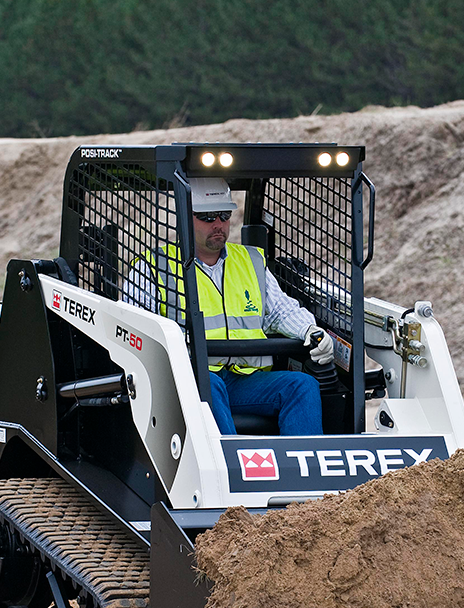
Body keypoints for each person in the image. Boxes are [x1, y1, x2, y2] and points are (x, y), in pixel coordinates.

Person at [123, 178, 334, 436]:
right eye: (207, 216)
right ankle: (229, 471)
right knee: (208, 385)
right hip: (189, 381)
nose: (218, 224)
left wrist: (309, 329)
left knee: (302, 385)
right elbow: (134, 329)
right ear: (183, 217)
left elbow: (281, 310)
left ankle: (304, 471)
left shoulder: (250, 261)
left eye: (224, 215)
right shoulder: (154, 268)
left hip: (245, 379)